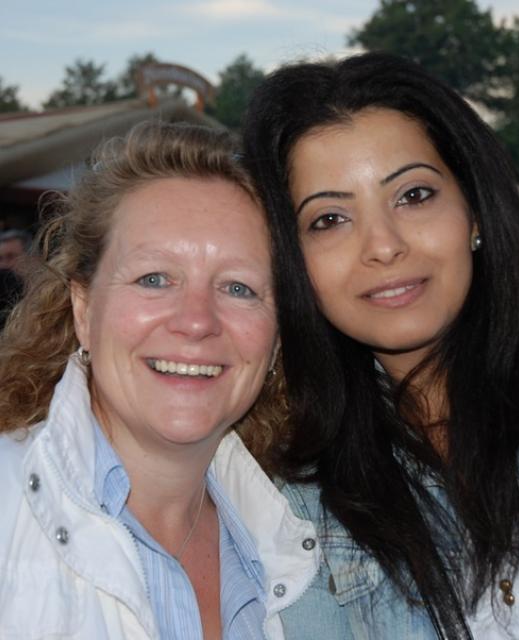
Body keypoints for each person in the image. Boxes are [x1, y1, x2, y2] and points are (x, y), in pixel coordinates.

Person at [243, 53, 519, 639]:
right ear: (292, 261)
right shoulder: (295, 512)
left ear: (473, 210)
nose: (383, 245)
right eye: (329, 219)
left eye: (413, 195)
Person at [0, 121, 321, 640]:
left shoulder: (306, 544)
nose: (196, 322)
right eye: (154, 279)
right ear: (84, 310)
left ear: (278, 338)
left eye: (238, 287)